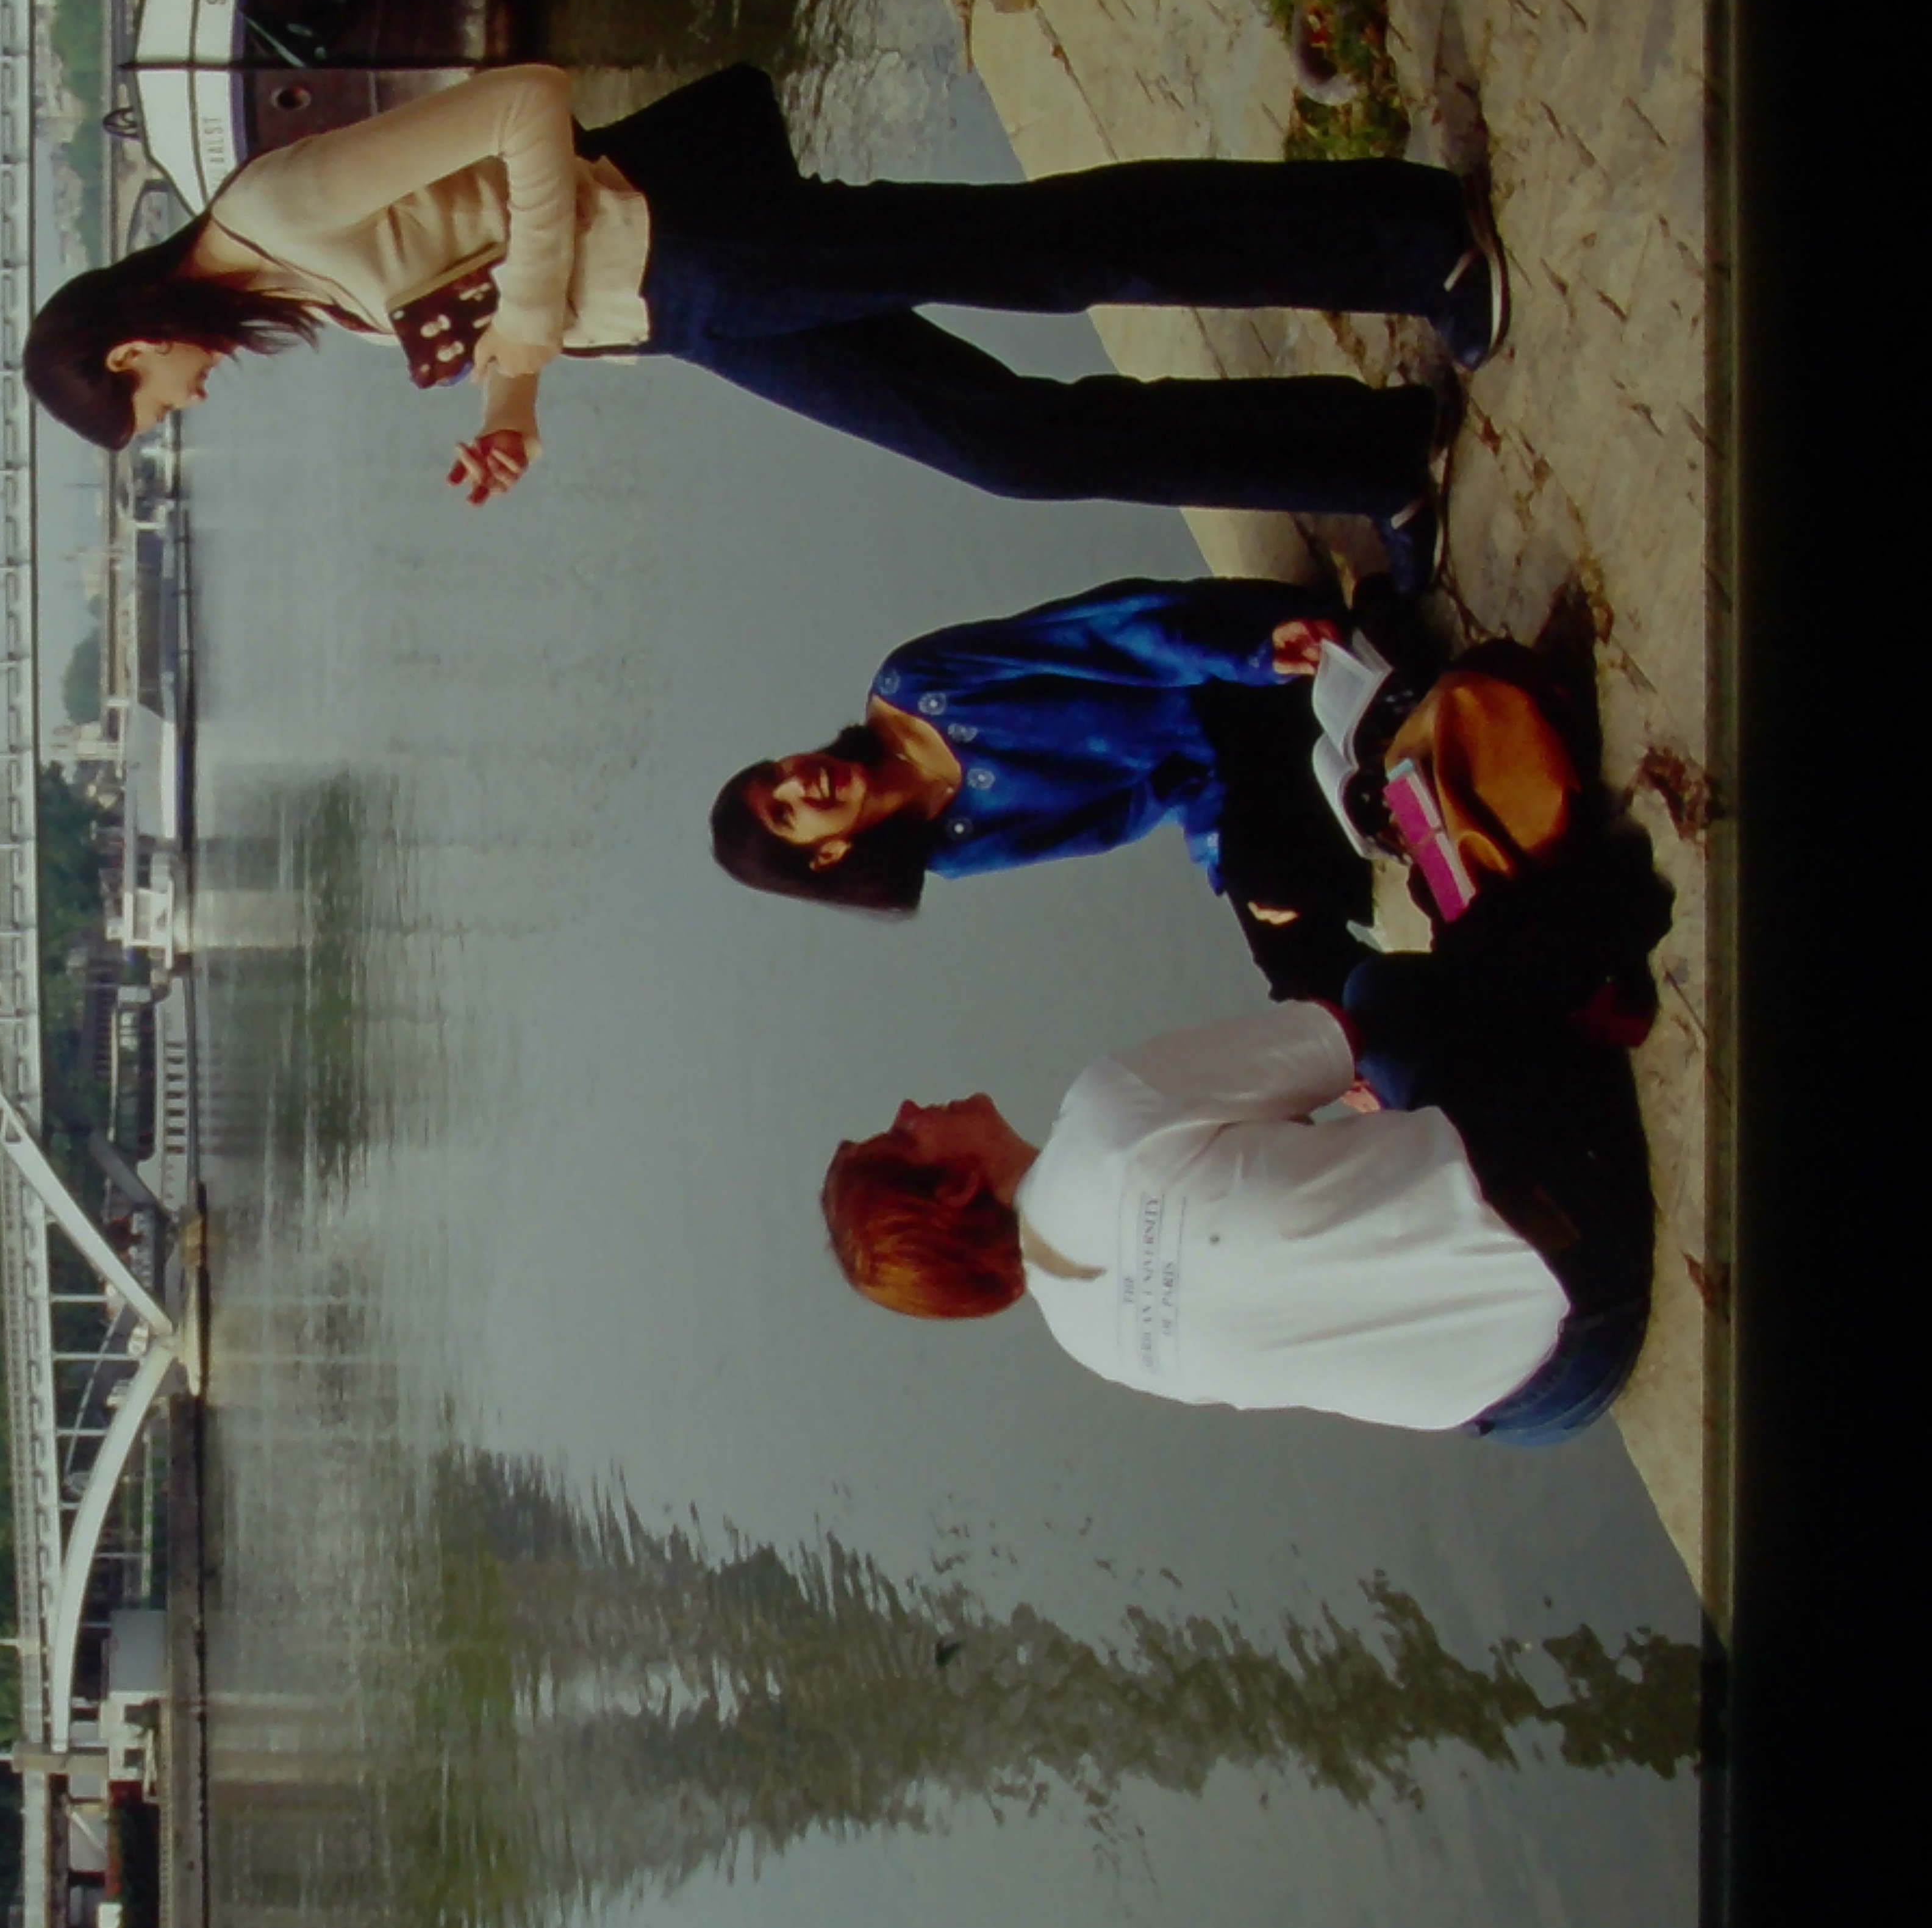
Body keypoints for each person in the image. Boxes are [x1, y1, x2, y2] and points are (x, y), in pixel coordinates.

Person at [26, 64, 1505, 590]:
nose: (188, 405)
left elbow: (531, 106)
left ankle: (1410, 236)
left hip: (708, 249)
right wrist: (516, 391)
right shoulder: (284, 284)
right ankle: (1369, 454)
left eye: (154, 400)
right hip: (694, 313)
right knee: (1005, 446)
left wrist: (517, 372)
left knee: (1049, 251)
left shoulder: (275, 212)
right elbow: (498, 270)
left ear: (122, 343)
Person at [818, 960, 1654, 1445]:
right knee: (1381, 997)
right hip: (1577, 1224)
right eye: (901, 1138)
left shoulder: (1091, 1347)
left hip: (1549, 1400)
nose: (908, 1110)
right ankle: (1594, 1002)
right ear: (956, 1187)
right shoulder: (1106, 1113)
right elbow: (1338, 1032)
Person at [706, 574, 1384, 1001]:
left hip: (1225, 669)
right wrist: (1223, 857)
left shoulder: (915, 683)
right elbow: (1132, 808)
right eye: (785, 813)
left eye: (776, 773)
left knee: (1276, 878)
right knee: (1301, 983)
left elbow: (1105, 629)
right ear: (824, 857)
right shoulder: (957, 849)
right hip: (1221, 764)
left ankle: (1372, 683)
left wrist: (1251, 653)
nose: (799, 782)